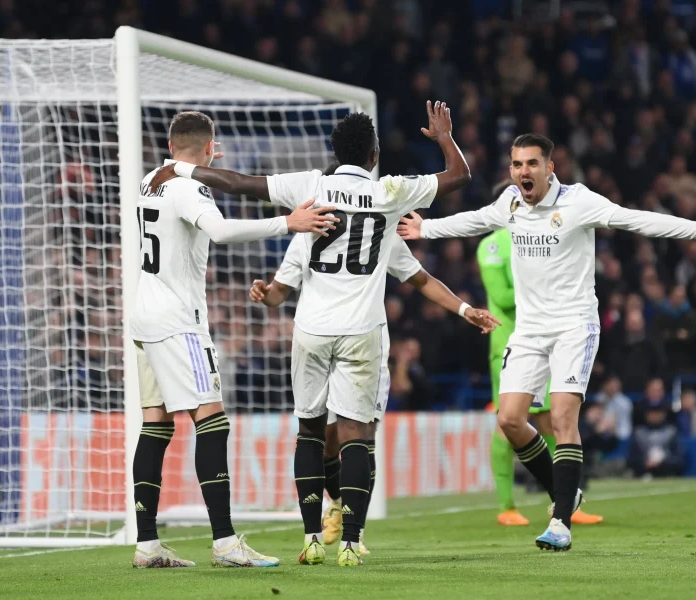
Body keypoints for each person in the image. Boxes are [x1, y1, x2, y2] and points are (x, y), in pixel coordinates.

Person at [149, 101, 471, 566]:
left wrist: (179, 167)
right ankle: (352, 542)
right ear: (374, 153)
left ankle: (311, 539)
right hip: (361, 328)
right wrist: (443, 135)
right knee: (357, 433)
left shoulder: (312, 186)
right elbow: (458, 175)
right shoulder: (391, 191)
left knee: (310, 433)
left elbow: (241, 184)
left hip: (311, 330)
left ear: (334, 151)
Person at [398, 132, 696, 551]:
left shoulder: (579, 202)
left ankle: (560, 521)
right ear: (511, 169)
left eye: (532, 164)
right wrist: (425, 227)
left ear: (549, 168)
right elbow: (474, 220)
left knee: (562, 419)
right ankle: (566, 490)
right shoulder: (509, 203)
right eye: (518, 164)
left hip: (574, 326)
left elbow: (634, 218)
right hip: (529, 329)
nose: (524, 171)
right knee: (509, 420)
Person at [131, 111, 338, 569]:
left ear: (171, 147)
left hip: (144, 317)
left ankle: (147, 545)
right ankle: (224, 542)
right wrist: (288, 222)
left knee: (156, 425)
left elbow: (182, 185)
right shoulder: (188, 187)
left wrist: (197, 164)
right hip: (178, 320)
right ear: (209, 148)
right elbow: (221, 232)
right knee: (213, 421)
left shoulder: (151, 178)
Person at [249, 231, 499, 555]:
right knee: (326, 442)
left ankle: (355, 532)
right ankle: (339, 505)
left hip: (357, 342)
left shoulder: (377, 233)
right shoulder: (311, 232)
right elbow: (277, 292)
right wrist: (266, 293)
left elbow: (421, 279)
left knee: (361, 436)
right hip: (331, 343)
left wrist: (465, 309)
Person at [477, 215, 602, 526]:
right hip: (510, 344)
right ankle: (507, 506)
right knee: (507, 422)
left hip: (550, 340)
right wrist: (550, 289)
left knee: (552, 421)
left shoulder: (543, 237)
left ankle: (565, 499)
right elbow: (502, 297)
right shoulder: (492, 244)